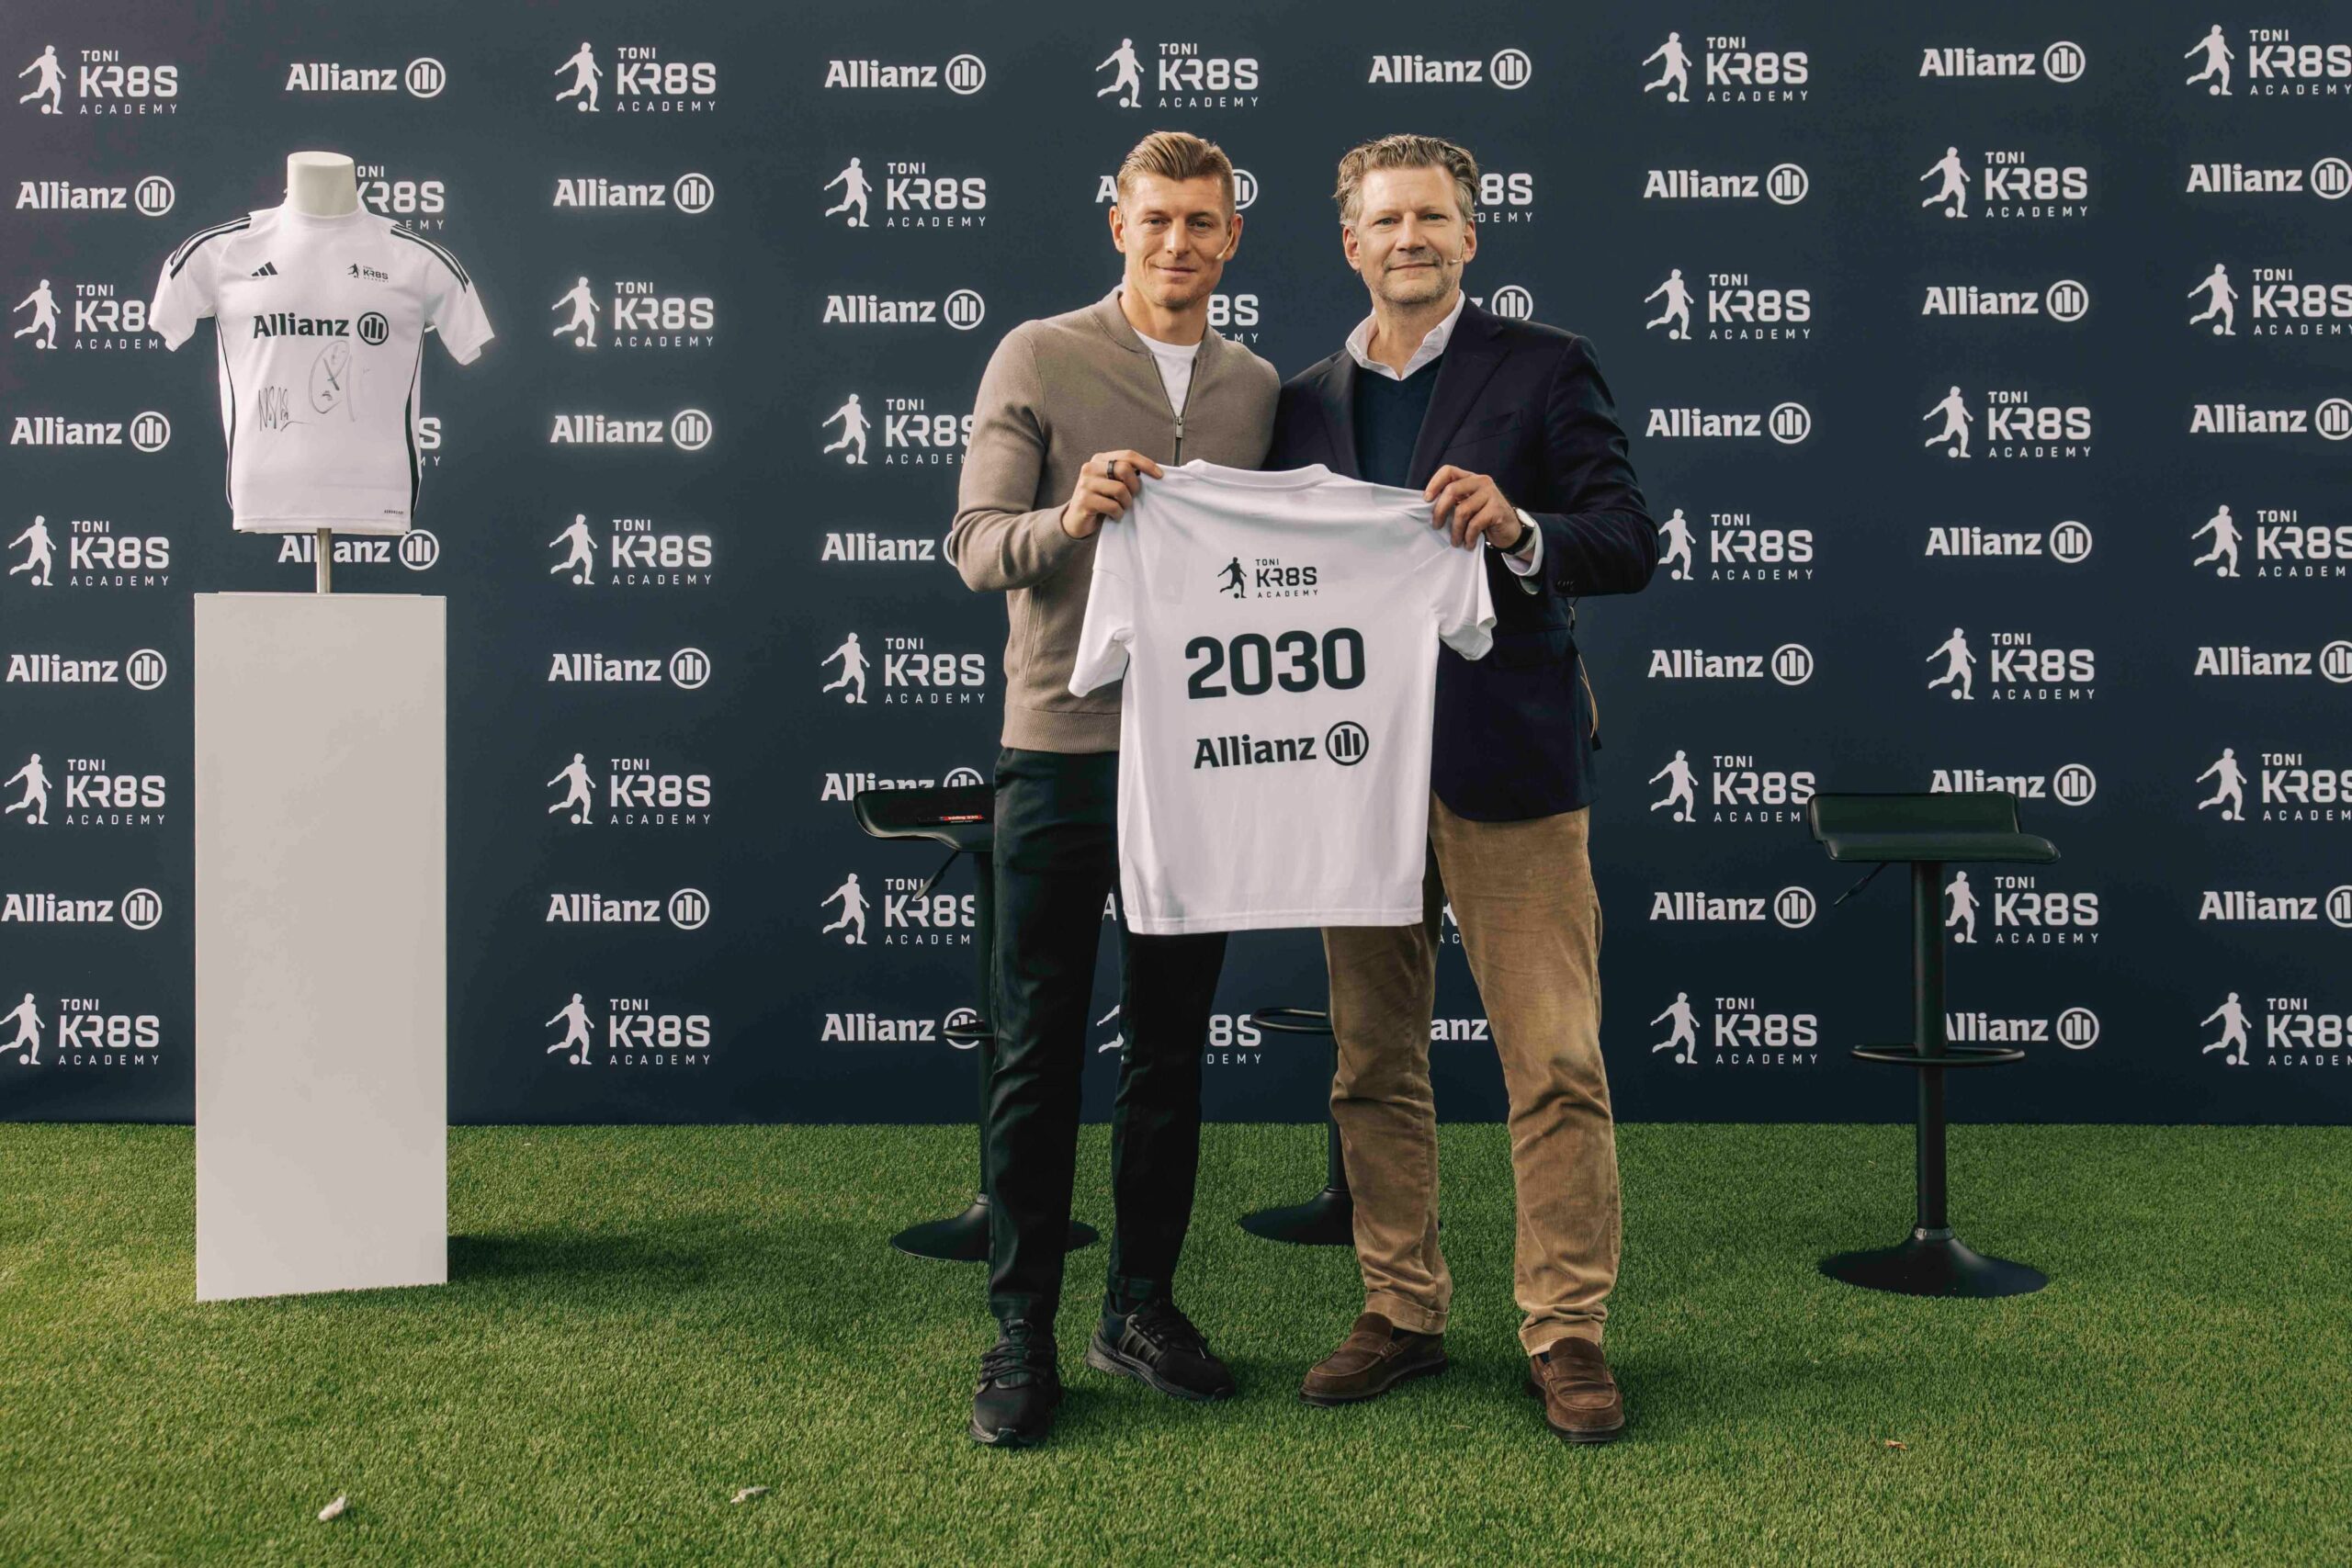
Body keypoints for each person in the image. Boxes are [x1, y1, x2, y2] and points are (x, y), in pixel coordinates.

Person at [1266, 133, 1658, 1443]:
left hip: (1510, 762)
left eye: (1433, 218)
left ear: (1470, 236)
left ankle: (1567, 1329)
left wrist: (1524, 527)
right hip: (1352, 770)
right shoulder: (1301, 404)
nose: (1411, 238)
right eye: (1387, 220)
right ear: (1351, 243)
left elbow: (1628, 538)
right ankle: (1400, 1308)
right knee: (1373, 1060)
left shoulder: (1545, 365)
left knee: (1554, 1058)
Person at [947, 130, 1278, 1449]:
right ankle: (1020, 1327)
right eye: (1157, 221)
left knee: (1170, 1050)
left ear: (1232, 237)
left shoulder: (1257, 389)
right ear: (1118, 226)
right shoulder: (1038, 355)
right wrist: (1070, 516)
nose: (1178, 243)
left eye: (1202, 223)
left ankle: (1139, 1306)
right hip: (1061, 751)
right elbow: (975, 545)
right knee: (1036, 1047)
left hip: (1200, 760)